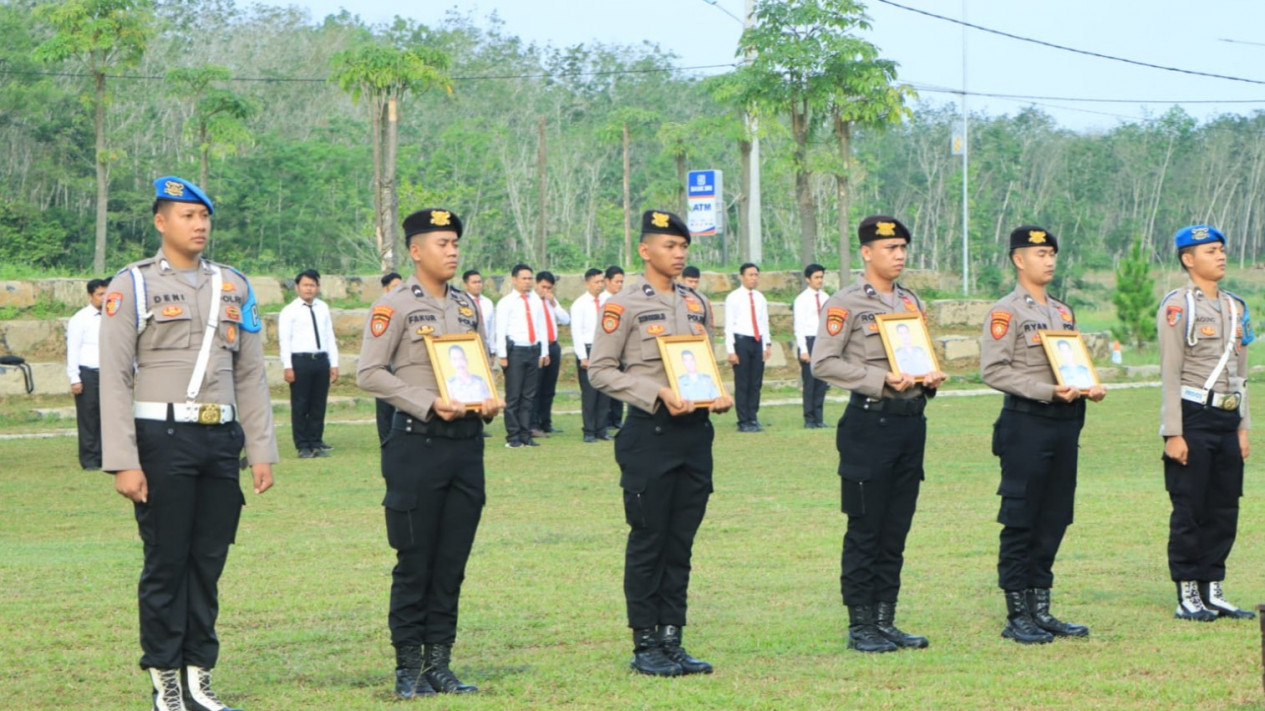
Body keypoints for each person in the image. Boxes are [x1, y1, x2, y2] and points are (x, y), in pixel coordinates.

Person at [100, 175, 277, 711]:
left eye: (204, 217)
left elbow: (251, 374)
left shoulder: (233, 285)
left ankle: (200, 676)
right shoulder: (130, 284)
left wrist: (262, 448)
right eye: (186, 216)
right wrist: (123, 461)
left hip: (220, 439)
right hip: (162, 438)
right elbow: (113, 377)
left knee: (208, 561)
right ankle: (166, 682)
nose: (199, 225)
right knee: (167, 562)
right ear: (161, 221)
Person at [357, 208, 503, 699]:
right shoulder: (394, 305)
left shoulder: (467, 305)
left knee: (452, 560)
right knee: (416, 557)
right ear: (416, 250)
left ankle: (440, 662)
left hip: (465, 444)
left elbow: (480, 364)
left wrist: (490, 397)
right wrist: (426, 402)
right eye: (442, 243)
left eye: (455, 242)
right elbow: (370, 373)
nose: (453, 250)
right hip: (415, 443)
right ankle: (408, 667)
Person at [590, 209, 731, 677]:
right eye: (670, 246)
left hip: (695, 435)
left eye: (683, 247)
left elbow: (704, 361)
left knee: (680, 541)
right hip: (649, 435)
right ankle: (644, 642)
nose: (679, 254)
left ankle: (672, 637)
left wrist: (718, 391)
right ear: (644, 250)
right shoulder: (622, 305)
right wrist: (657, 393)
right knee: (650, 539)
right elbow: (601, 370)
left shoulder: (696, 304)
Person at [811, 215, 947, 654]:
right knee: (866, 527)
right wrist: (879, 379)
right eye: (890, 248)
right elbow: (823, 363)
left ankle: (886, 619)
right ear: (867, 252)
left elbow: (919, 353)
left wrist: (928, 377)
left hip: (910, 423)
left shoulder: (911, 301)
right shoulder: (845, 303)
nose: (900, 255)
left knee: (896, 527)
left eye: (904, 247)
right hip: (870, 423)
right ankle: (861, 624)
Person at [980, 225, 1106, 645]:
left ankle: (1041, 608)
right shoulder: (1006, 312)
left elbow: (1070, 363)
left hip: (1065, 422)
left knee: (1054, 515)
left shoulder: (1062, 312)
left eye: (1052, 253)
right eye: (1040, 254)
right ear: (1019, 259)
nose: (1049, 260)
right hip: (1026, 422)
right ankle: (1017, 613)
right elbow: (993, 370)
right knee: (1022, 517)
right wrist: (1047, 391)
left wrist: (1089, 385)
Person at [1157, 224, 1255, 622]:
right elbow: (1170, 372)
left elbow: (1242, 372)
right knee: (1190, 508)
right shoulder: (1179, 306)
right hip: (1193, 416)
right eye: (1210, 250)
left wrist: (1243, 427)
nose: (1220, 255)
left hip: (1227, 416)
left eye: (1221, 249)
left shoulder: (1236, 306)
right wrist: (1173, 432)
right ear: (1188, 258)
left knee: (1223, 507)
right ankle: (1187, 593)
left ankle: (1213, 588)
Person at [279, 269, 339, 458]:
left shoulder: (323, 307)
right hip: (300, 361)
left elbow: (330, 337)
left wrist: (333, 363)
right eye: (305, 285)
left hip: (320, 360)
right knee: (300, 404)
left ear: (318, 287)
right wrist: (287, 366)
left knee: (318, 404)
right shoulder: (289, 311)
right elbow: (285, 341)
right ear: (297, 287)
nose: (309, 289)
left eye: (312, 285)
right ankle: (302, 444)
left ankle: (315, 441)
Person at [495, 264, 548, 448]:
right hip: (515, 351)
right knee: (514, 396)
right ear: (514, 279)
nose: (527, 282)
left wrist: (543, 351)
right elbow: (500, 330)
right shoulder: (506, 302)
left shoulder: (535, 301)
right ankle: (513, 436)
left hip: (532, 349)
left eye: (529, 278)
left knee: (529, 396)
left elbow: (541, 327)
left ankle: (526, 434)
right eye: (524, 278)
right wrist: (502, 354)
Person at [66, 277, 109, 470]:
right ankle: (90, 459)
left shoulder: (114, 316)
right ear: (90, 296)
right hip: (88, 373)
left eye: (107, 293)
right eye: (100, 294)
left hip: (110, 373)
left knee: (108, 416)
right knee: (88, 417)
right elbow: (73, 349)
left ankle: (107, 457)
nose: (104, 297)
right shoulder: (80, 319)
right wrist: (74, 377)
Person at [725, 263, 770, 432]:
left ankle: (753, 417)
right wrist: (731, 350)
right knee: (743, 382)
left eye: (756, 275)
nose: (754, 278)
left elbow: (764, 323)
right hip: (741, 341)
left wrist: (766, 344)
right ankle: (743, 420)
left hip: (757, 341)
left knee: (756, 382)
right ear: (742, 277)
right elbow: (729, 325)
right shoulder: (734, 297)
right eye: (750, 275)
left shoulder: (760, 298)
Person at [571, 267, 612, 443]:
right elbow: (576, 332)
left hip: (606, 349)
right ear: (588, 283)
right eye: (596, 282)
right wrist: (582, 356)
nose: (600, 285)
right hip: (589, 348)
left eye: (602, 281)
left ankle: (601, 429)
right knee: (590, 393)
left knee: (604, 392)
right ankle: (589, 430)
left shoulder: (608, 301)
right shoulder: (579, 304)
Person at [530, 270, 570, 438]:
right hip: (538, 347)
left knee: (549, 388)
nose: (545, 290)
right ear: (536, 284)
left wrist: (553, 303)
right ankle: (533, 423)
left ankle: (546, 422)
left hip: (553, 346)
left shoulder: (550, 302)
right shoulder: (530, 301)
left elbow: (566, 319)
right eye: (543, 287)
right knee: (536, 388)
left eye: (549, 288)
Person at [793, 264, 831, 428]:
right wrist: (804, 349)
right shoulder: (801, 300)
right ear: (808, 279)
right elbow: (799, 326)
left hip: (823, 340)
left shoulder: (826, 297)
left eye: (821, 277)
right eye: (816, 277)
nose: (819, 281)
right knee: (810, 382)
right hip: (809, 340)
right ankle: (809, 418)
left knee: (822, 381)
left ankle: (819, 417)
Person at [375, 272, 403, 446]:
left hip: (401, 362)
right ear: (385, 289)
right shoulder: (380, 309)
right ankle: (386, 441)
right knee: (385, 406)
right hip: (384, 362)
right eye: (395, 288)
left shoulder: (405, 308)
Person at [602, 265, 627, 433]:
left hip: (621, 348)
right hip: (607, 348)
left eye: (622, 282)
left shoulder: (624, 300)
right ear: (608, 281)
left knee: (619, 385)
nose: (619, 285)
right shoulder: (603, 301)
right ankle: (604, 419)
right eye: (617, 282)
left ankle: (616, 419)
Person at [462, 269, 496, 364]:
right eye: (474, 282)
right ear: (466, 285)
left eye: (479, 282)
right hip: (468, 347)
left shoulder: (488, 303)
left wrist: (492, 351)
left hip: (485, 347)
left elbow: (491, 329)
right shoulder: (461, 303)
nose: (478, 285)